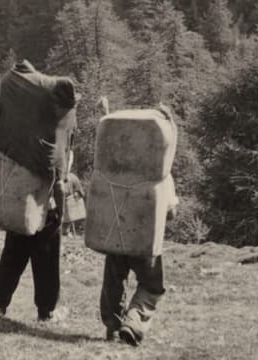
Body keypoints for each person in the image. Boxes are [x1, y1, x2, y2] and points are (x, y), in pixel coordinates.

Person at [0, 60, 77, 321]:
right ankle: (46, 311)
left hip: (18, 194)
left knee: (14, 249)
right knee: (46, 256)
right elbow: (58, 173)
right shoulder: (56, 126)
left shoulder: (24, 124)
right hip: (44, 203)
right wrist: (62, 209)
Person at [98, 104, 178, 346]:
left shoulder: (114, 171)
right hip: (145, 237)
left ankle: (112, 328)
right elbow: (170, 212)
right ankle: (133, 322)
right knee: (152, 285)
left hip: (116, 232)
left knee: (114, 280)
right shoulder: (160, 176)